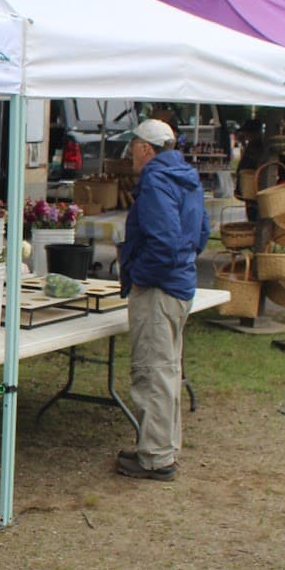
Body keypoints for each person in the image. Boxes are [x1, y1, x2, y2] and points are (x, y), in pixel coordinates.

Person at [116, 118, 210, 481]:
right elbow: (201, 233)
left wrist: (140, 274)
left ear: (145, 149)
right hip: (181, 283)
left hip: (158, 287)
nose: (130, 156)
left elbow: (164, 241)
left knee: (152, 371)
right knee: (168, 369)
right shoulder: (186, 175)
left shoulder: (155, 179)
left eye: (132, 148)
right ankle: (162, 446)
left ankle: (154, 457)